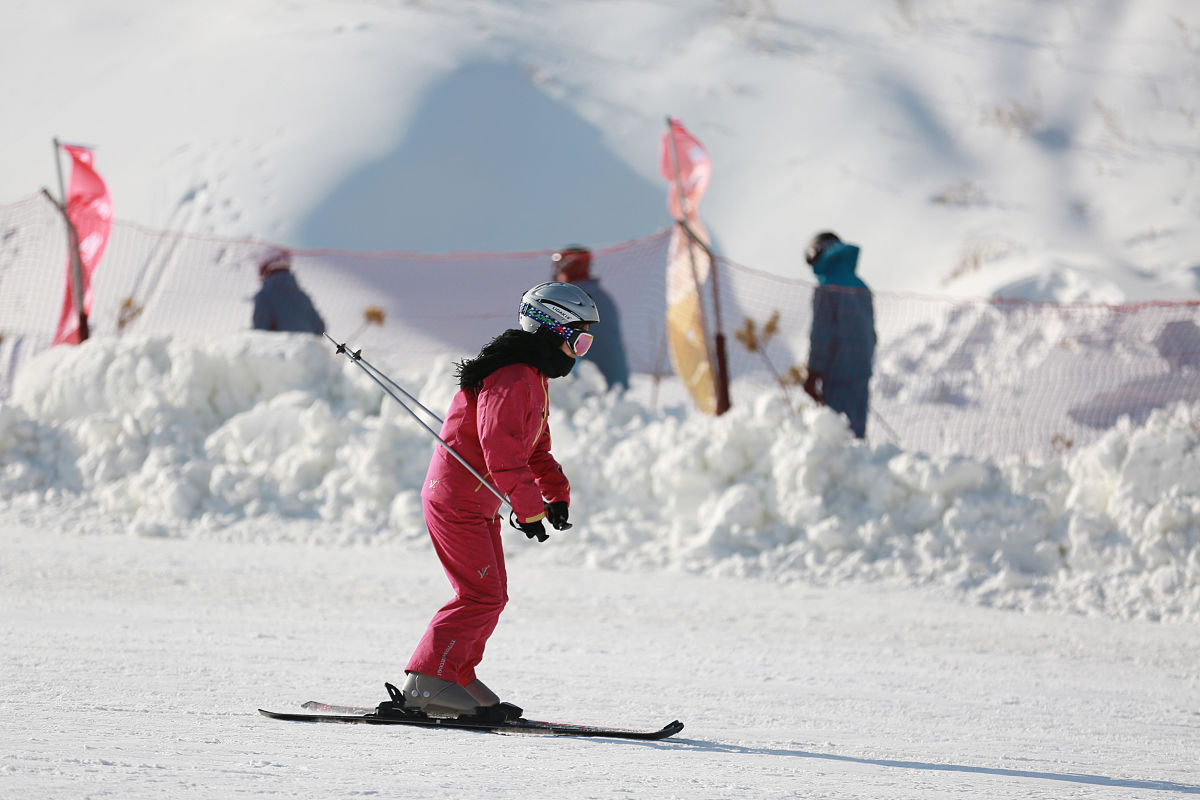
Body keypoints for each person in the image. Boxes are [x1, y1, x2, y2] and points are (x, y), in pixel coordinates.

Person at [397, 281, 599, 720]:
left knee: (490, 593)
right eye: (579, 339)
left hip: (477, 502)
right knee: (480, 594)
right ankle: (427, 683)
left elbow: (535, 449)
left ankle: (455, 675)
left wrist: (555, 495)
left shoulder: (533, 378)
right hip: (456, 500)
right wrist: (528, 510)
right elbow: (501, 449)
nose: (582, 352)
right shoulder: (512, 377)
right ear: (552, 329)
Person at [802, 231, 876, 438]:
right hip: (862, 372)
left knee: (836, 436)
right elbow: (872, 334)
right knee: (856, 435)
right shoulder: (862, 287)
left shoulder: (827, 289)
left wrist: (813, 372)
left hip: (836, 375)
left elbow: (822, 334)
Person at [552, 246, 630, 391]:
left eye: (559, 266)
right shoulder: (602, 297)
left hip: (585, 393)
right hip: (618, 387)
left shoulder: (568, 299)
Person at [251, 248, 326, 334]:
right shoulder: (302, 296)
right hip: (307, 346)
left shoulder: (264, 296)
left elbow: (260, 331)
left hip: (279, 347)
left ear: (265, 269)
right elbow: (320, 328)